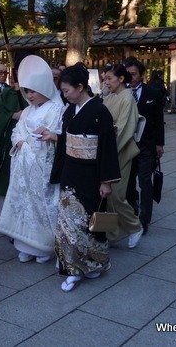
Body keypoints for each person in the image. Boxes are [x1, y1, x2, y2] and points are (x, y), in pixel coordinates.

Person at [45, 64, 121, 292]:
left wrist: (106, 181)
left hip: (92, 174)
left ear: (80, 87)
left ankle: (96, 262)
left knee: (93, 223)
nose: (64, 95)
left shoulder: (100, 111)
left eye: (67, 90)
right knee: (69, 224)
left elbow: (107, 147)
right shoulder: (70, 110)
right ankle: (73, 269)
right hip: (71, 171)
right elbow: (68, 140)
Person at [0, 55, 64, 263]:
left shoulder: (56, 109)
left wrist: (43, 139)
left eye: (33, 90)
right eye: (26, 91)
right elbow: (17, 131)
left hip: (42, 165)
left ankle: (43, 247)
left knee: (41, 204)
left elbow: (57, 133)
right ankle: (24, 244)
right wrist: (20, 143)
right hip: (23, 165)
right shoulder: (27, 110)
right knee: (24, 205)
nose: (29, 95)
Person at [102, 64, 143, 248]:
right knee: (104, 195)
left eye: (110, 78)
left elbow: (125, 128)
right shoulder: (110, 97)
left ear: (121, 79)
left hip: (120, 151)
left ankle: (135, 226)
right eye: (105, 78)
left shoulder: (128, 98)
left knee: (116, 195)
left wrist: (108, 147)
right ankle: (108, 234)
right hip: (107, 151)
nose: (107, 82)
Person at [125, 59, 165, 235]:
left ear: (142, 75)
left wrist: (159, 143)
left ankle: (145, 219)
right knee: (128, 181)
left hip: (146, 145)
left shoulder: (153, 93)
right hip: (127, 144)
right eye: (128, 74)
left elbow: (158, 121)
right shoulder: (121, 93)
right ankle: (132, 211)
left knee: (145, 181)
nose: (130, 78)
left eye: (133, 74)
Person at [0, 68, 27, 227]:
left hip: (28, 148)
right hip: (6, 147)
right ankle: (4, 223)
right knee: (3, 185)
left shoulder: (37, 96)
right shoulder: (5, 94)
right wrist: (11, 116)